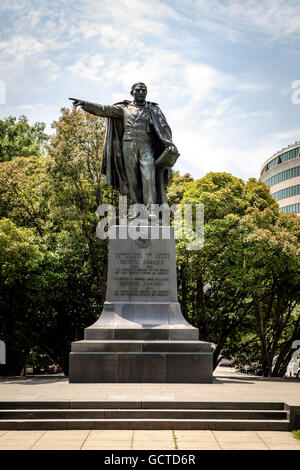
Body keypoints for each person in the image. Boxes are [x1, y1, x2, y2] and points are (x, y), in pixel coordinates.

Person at [69, 82, 179, 217]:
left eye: (144, 90)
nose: (141, 92)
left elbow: (163, 127)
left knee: (148, 177)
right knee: (132, 179)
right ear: (132, 92)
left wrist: (168, 142)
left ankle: (151, 210)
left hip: (146, 146)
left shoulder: (153, 109)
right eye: (138, 90)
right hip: (128, 145)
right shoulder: (124, 108)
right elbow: (104, 109)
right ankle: (137, 210)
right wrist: (85, 104)